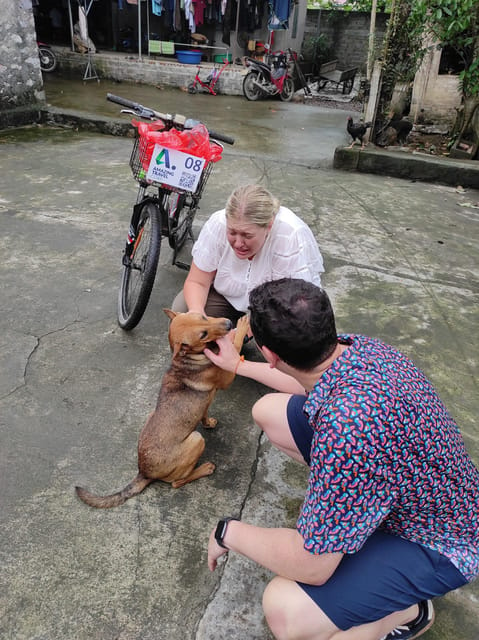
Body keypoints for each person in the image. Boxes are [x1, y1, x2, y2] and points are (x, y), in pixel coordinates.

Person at [204, 278, 479, 640]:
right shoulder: (357, 347)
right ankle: (353, 525)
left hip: (439, 542)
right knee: (269, 412)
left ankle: (408, 611)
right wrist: (236, 365)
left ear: (271, 355)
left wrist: (228, 532)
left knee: (286, 612)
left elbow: (312, 567)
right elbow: (306, 381)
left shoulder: (346, 432)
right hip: (425, 490)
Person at [171, 184, 324, 324]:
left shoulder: (290, 235)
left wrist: (241, 334)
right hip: (226, 298)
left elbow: (289, 306)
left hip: (276, 309)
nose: (238, 243)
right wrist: (197, 314)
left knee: (290, 333)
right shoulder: (218, 223)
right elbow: (198, 282)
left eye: (247, 235)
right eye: (232, 232)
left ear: (269, 226)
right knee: (183, 309)